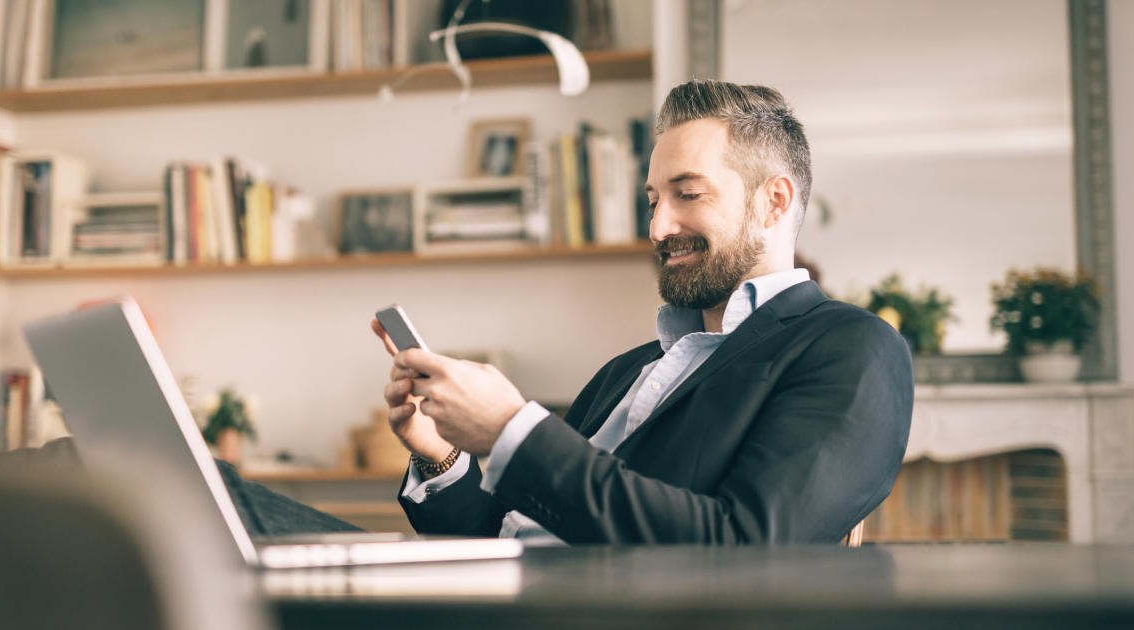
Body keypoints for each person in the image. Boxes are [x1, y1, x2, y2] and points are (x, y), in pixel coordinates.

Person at [372, 79, 914, 545]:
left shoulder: (850, 348)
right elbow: (505, 539)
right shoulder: (624, 373)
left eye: (689, 195)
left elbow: (746, 545)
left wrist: (515, 431)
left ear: (773, 201)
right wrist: (439, 455)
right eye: (654, 200)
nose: (657, 228)